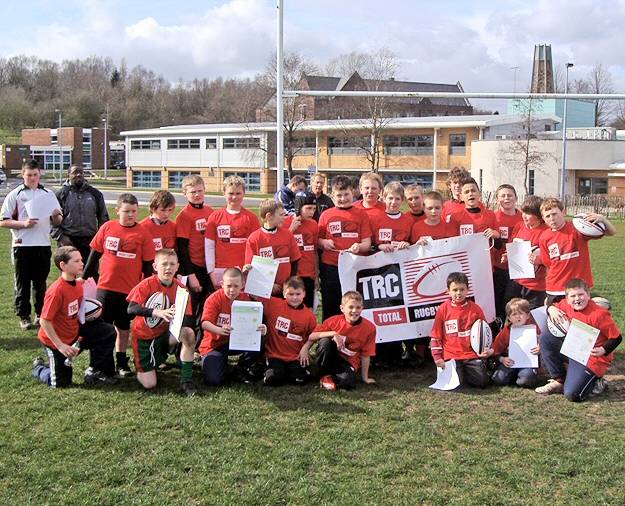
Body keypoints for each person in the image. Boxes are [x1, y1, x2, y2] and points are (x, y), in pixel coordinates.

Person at [83, 193, 155, 377]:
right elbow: (94, 255)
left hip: (129, 291)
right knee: (103, 327)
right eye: (126, 211)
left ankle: (121, 362)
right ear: (117, 211)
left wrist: (144, 291)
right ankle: (99, 363)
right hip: (105, 288)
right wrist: (83, 278)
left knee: (123, 328)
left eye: (134, 211)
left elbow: (148, 266)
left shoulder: (143, 234)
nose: (130, 215)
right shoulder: (108, 227)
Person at [32, 246, 117, 388]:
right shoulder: (56, 291)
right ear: (63, 265)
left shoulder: (77, 284)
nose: (82, 263)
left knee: (107, 332)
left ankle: (96, 370)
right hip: (56, 343)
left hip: (74, 333)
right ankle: (39, 367)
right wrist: (61, 346)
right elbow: (44, 321)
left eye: (81, 260)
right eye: (76, 261)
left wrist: (92, 313)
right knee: (60, 383)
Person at [0, 159, 63, 330]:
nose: (32, 178)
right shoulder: (16, 194)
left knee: (40, 283)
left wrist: (57, 215)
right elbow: (3, 221)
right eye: (29, 175)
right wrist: (23, 224)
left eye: (35, 175)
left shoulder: (48, 194)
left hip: (42, 244)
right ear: (23, 175)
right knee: (23, 283)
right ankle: (24, 316)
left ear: (40, 174)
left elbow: (57, 221)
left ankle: (41, 314)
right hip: (22, 245)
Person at [536, 278, 621, 401]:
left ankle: (597, 382)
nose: (577, 299)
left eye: (581, 294)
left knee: (572, 395)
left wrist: (603, 350)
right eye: (573, 296)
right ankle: (559, 380)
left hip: (592, 357)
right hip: (574, 349)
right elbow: (551, 303)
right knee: (546, 338)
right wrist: (550, 309)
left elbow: (616, 337)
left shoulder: (599, 314)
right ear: (567, 298)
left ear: (588, 295)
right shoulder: (565, 304)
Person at [126, 248, 196, 395]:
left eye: (172, 264)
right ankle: (143, 364)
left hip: (166, 334)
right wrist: (157, 312)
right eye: (164, 264)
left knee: (188, 334)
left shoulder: (182, 289)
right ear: (155, 266)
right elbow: (131, 309)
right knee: (150, 384)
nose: (168, 268)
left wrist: (177, 319)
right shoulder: (146, 284)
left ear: (177, 267)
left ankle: (186, 380)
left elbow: (188, 318)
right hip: (145, 337)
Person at [368, 181, 412, 367]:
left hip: (401, 272)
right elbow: (368, 243)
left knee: (398, 309)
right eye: (390, 198)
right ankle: (379, 354)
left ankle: (396, 352)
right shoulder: (375, 218)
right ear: (383, 198)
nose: (393, 202)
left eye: (397, 199)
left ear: (402, 200)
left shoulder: (408, 220)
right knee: (381, 310)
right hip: (379, 272)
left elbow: (414, 243)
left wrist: (407, 244)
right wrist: (379, 246)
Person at [538, 197, 615, 303]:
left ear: (563, 212)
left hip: (579, 287)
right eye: (548, 216)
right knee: (558, 318)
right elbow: (548, 263)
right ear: (543, 218)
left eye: (555, 214)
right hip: (556, 288)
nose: (552, 218)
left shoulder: (578, 227)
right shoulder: (544, 237)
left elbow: (611, 232)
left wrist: (603, 220)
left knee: (579, 318)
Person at [198, 268, 267, 385]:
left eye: (236, 286)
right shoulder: (213, 299)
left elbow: (254, 323)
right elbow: (205, 323)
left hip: (238, 342)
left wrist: (261, 329)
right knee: (213, 380)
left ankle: (241, 368)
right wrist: (219, 330)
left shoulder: (247, 299)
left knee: (260, 339)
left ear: (243, 285)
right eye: (228, 286)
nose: (232, 290)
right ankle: (219, 362)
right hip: (215, 344)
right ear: (222, 284)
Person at [317, 175, 372, 320]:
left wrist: (359, 246)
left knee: (354, 305)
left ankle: (353, 336)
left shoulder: (361, 215)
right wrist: (323, 242)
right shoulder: (326, 215)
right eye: (339, 195)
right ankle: (328, 339)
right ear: (332, 195)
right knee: (330, 304)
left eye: (346, 194)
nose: (343, 199)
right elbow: (317, 240)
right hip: (330, 267)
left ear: (353, 193)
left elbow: (367, 244)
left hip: (354, 268)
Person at [430, 272, 491, 388]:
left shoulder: (475, 309)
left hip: (471, 355)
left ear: (467, 290)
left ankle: (477, 369)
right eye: (455, 290)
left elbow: (485, 333)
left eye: (462, 289)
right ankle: (461, 372)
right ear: (448, 291)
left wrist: (485, 350)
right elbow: (435, 336)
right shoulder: (443, 309)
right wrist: (437, 357)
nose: (458, 293)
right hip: (451, 356)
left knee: (482, 382)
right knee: (457, 384)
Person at [307, 291, 377, 390]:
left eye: (358, 307)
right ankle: (323, 374)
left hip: (348, 362)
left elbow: (366, 355)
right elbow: (311, 336)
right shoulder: (333, 321)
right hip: (331, 356)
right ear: (342, 308)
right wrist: (333, 333)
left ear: (362, 308)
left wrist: (365, 378)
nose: (354, 311)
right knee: (325, 342)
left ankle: (331, 378)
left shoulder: (369, 328)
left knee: (347, 383)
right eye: (351, 307)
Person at [205, 175, 260, 288]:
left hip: (243, 272)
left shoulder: (251, 218)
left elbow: (256, 248)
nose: (234, 197)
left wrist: (250, 271)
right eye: (230, 193)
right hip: (221, 271)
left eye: (238, 193)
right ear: (224, 193)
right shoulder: (215, 217)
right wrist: (211, 272)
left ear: (244, 193)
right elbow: (209, 246)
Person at [262, 277, 318, 386]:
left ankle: (297, 372)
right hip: (275, 355)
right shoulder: (273, 304)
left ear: (304, 294)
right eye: (290, 294)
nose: (294, 297)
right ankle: (269, 370)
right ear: (283, 294)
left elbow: (314, 335)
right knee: (273, 379)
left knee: (299, 380)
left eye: (298, 294)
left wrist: (306, 349)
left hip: (295, 357)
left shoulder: (309, 315)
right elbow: (254, 295)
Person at [176, 175, 215, 319]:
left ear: (205, 190)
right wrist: (191, 276)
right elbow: (182, 249)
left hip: (210, 267)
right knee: (192, 310)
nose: (197, 195)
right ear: (184, 194)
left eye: (200, 191)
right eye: (193, 192)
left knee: (208, 308)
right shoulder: (184, 216)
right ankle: (187, 340)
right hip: (194, 267)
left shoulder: (210, 212)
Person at [54, 164, 109, 264]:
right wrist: (61, 237)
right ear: (68, 175)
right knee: (69, 275)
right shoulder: (61, 195)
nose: (78, 174)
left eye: (81, 172)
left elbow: (103, 218)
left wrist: (99, 238)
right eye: (75, 172)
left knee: (90, 275)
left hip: (90, 240)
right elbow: (51, 220)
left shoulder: (95, 194)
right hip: (69, 241)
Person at [245, 199, 301, 297]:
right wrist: (269, 285)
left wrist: (289, 284)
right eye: (281, 215)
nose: (284, 218)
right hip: (264, 291)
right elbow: (252, 269)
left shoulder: (287, 235)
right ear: (269, 216)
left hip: (286, 290)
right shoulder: (254, 238)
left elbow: (295, 261)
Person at [503, 196, 549, 309]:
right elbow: (512, 246)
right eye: (523, 212)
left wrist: (540, 260)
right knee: (512, 313)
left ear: (539, 215)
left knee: (533, 316)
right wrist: (507, 255)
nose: (524, 216)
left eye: (528, 213)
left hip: (536, 286)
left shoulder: (546, 231)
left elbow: (552, 257)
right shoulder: (519, 226)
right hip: (516, 281)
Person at [483, 298, 540, 388]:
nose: (518, 317)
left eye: (521, 313)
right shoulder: (506, 331)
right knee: (498, 379)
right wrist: (502, 359)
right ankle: (513, 375)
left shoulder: (534, 328)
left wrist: (540, 347)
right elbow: (496, 349)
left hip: (528, 364)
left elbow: (544, 343)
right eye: (514, 314)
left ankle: (524, 375)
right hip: (511, 363)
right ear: (509, 318)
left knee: (526, 380)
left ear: (528, 315)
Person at [492, 184, 523, 321]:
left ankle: (514, 335)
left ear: (516, 198)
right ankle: (497, 337)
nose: (506, 198)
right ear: (497, 199)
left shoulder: (523, 218)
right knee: (498, 306)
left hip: (518, 269)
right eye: (503, 195)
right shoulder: (492, 217)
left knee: (515, 307)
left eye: (510, 195)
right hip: (497, 268)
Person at [285, 191, 319, 309]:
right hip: (292, 274)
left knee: (308, 309)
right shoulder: (285, 223)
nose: (311, 212)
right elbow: (280, 246)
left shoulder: (314, 224)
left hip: (308, 275)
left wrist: (316, 273)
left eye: (314, 209)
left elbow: (314, 251)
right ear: (299, 207)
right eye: (308, 208)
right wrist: (291, 230)